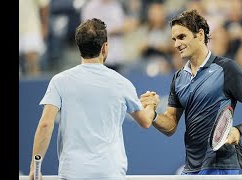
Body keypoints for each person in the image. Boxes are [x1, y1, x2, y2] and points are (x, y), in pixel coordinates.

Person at [140, 9, 242, 175]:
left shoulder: (227, 68)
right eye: (174, 39)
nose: (176, 44)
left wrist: (239, 130)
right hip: (191, 167)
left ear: (200, 35)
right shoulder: (178, 77)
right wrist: (153, 114)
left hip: (221, 167)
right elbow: (171, 124)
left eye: (181, 37)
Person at [28, 18, 159, 180]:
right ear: (105, 47)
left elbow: (45, 125)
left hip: (74, 172)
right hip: (110, 172)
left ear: (79, 48)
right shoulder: (122, 83)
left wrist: (36, 166)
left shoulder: (60, 81)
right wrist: (151, 104)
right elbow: (146, 121)